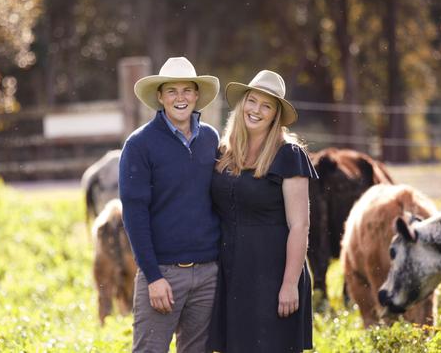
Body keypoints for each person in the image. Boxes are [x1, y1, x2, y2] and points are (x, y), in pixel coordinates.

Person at [207, 70, 317, 352]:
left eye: (266, 105)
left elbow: (300, 226)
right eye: (252, 101)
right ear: (242, 103)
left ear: (275, 115)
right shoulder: (224, 152)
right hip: (231, 271)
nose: (256, 110)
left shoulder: (289, 155)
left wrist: (290, 284)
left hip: (273, 274)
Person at [119, 56, 221, 353]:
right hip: (163, 272)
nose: (180, 98)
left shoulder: (211, 140)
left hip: (207, 274)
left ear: (197, 95)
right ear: (160, 97)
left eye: (187, 90)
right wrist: (153, 276)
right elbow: (134, 214)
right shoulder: (140, 145)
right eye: (172, 91)